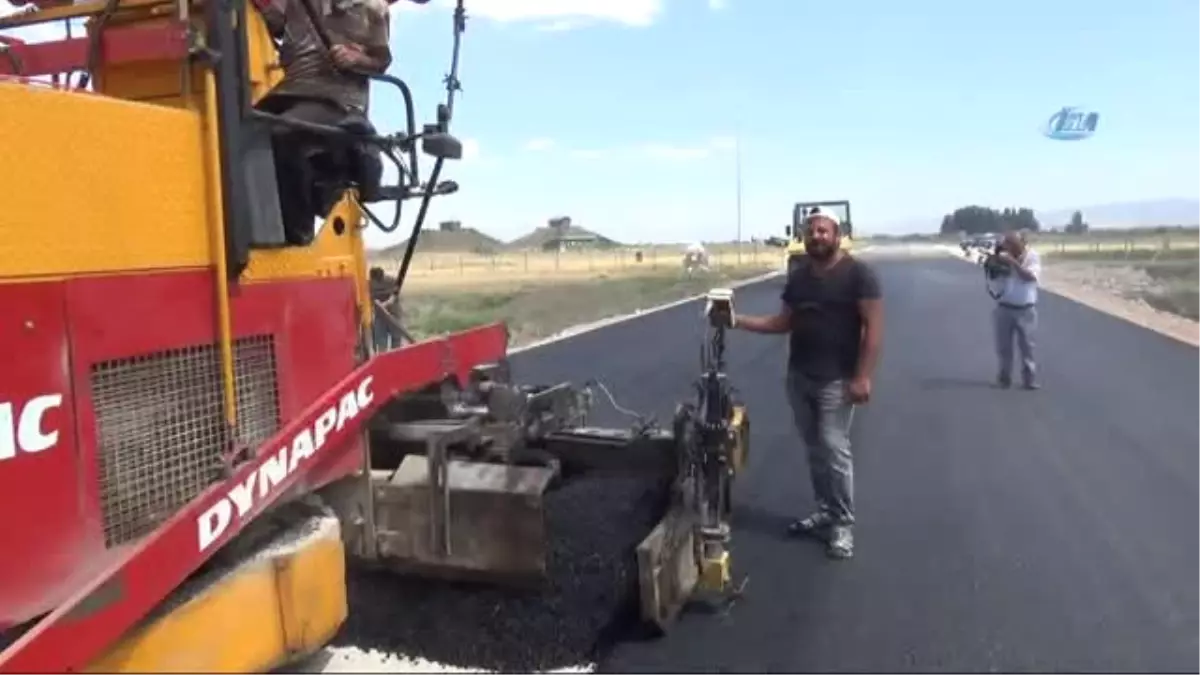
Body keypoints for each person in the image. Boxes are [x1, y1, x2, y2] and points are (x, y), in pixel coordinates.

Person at [730, 207, 882, 559]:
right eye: (811, 231)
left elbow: (874, 330)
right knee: (815, 450)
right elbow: (782, 323)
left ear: (837, 234)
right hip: (800, 377)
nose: (817, 236)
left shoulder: (859, 275)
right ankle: (825, 510)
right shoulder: (799, 279)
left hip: (838, 380)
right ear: (804, 236)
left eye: (823, 231)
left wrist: (862, 376)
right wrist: (736, 320)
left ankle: (843, 523)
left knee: (834, 448)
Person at [252, 0, 422, 244]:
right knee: (240, 129)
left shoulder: (373, 8)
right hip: (289, 90)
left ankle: (298, 235)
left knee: (284, 133)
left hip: (338, 99)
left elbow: (381, 62)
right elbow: (277, 24)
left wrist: (356, 58)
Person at [986, 230, 1041, 390]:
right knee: (1003, 347)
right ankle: (1004, 378)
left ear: (1021, 244)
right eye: (1006, 244)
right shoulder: (1002, 257)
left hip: (1025, 309)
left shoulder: (1032, 257)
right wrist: (993, 264)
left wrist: (1013, 263)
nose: (1008, 248)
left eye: (1012, 244)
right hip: (1004, 307)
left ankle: (1029, 380)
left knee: (1028, 347)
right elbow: (994, 277)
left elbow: (1030, 277)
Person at [368, 266, 398, 352]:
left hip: (393, 313)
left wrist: (383, 305)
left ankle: (397, 360)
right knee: (381, 340)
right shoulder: (369, 284)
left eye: (378, 280)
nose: (376, 282)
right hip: (379, 316)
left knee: (396, 339)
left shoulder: (391, 281)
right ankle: (384, 361)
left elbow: (394, 297)